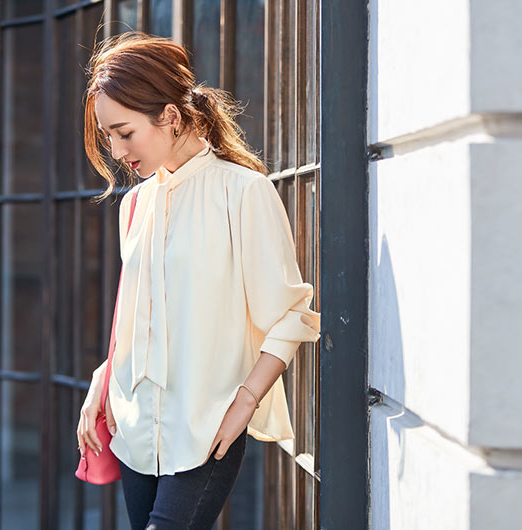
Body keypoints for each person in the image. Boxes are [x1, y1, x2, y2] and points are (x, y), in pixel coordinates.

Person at [76, 31, 320, 529]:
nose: (118, 150)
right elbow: (140, 319)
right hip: (134, 426)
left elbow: (291, 316)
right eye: (108, 136)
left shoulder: (243, 193)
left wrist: (245, 403)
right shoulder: (135, 205)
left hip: (207, 426)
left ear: (168, 115)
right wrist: (101, 382)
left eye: (125, 132)